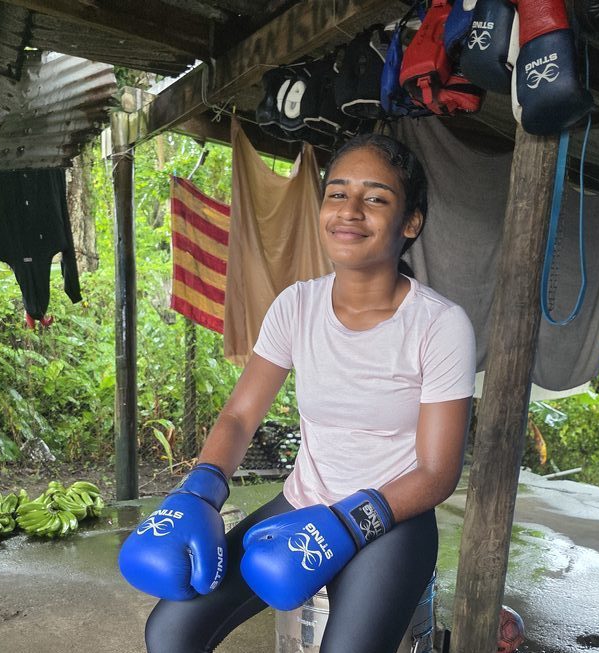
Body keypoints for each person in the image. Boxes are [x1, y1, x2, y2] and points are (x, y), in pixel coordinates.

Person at [118, 132, 476, 653]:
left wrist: (346, 523)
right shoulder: (296, 306)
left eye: (375, 198)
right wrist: (200, 491)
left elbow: (437, 471)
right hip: (303, 500)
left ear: (411, 222)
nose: (350, 210)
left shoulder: (439, 324)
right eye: (337, 193)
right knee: (170, 631)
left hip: (391, 523)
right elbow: (241, 416)